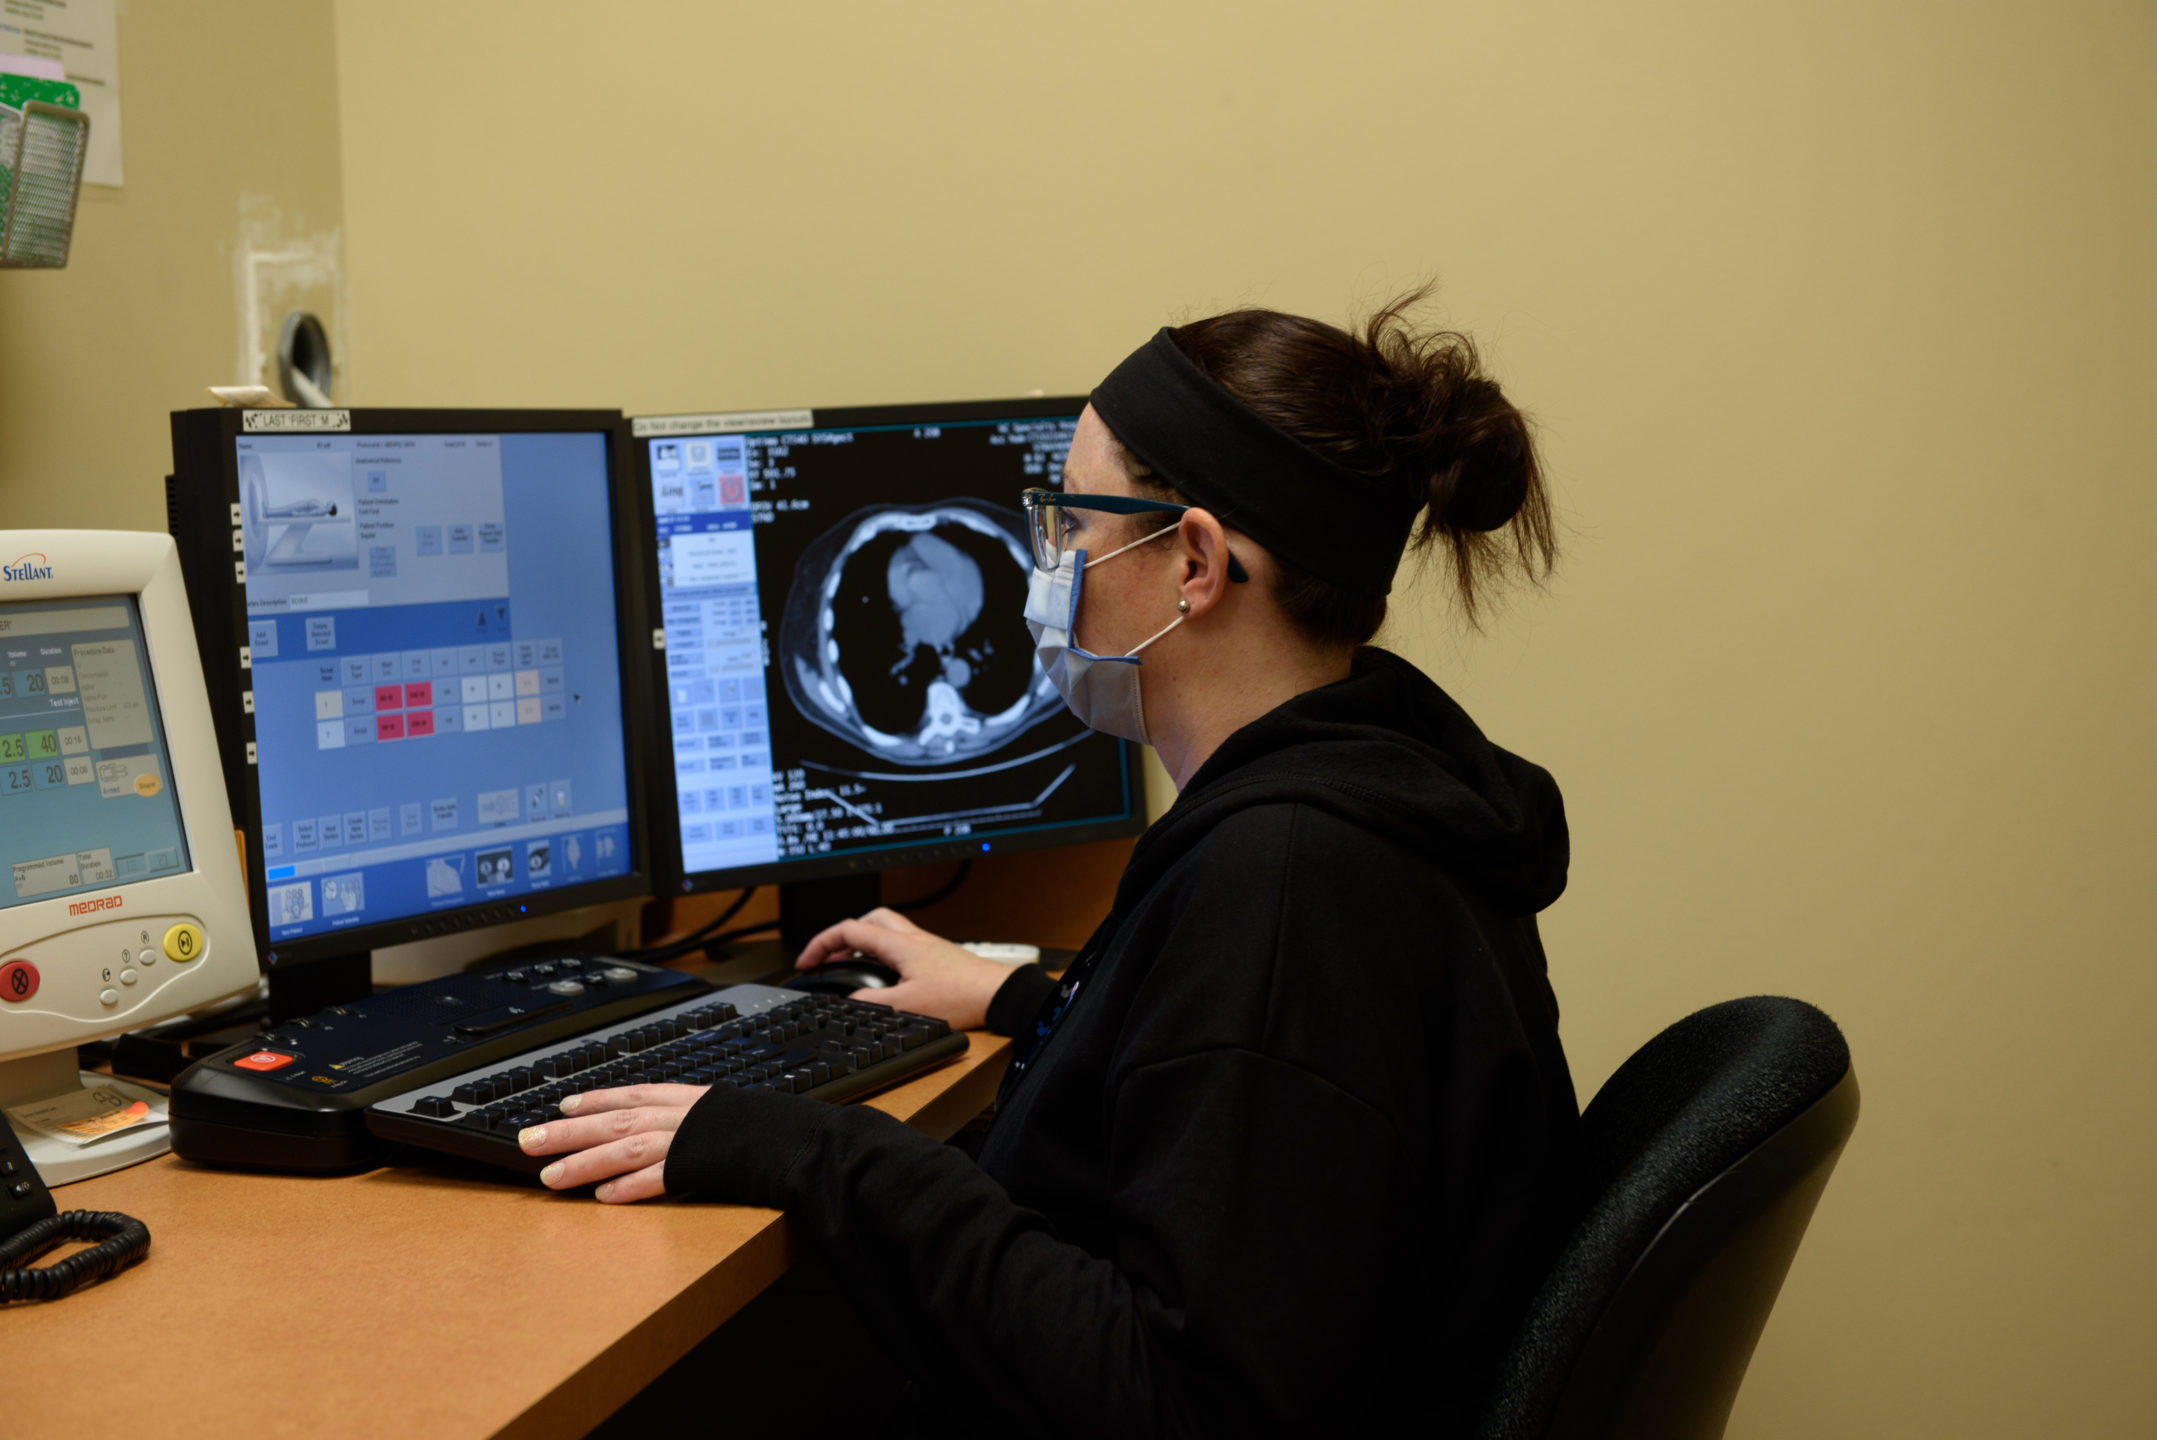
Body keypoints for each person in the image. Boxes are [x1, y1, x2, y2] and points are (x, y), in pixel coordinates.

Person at [521, 290, 1581, 1436]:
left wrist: (817, 1148)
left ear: (1194, 564)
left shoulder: (1287, 886)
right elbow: (1249, 1112)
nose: (1050, 562)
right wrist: (1036, 1003)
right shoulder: (1369, 792)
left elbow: (1178, 1401)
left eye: (1069, 526)